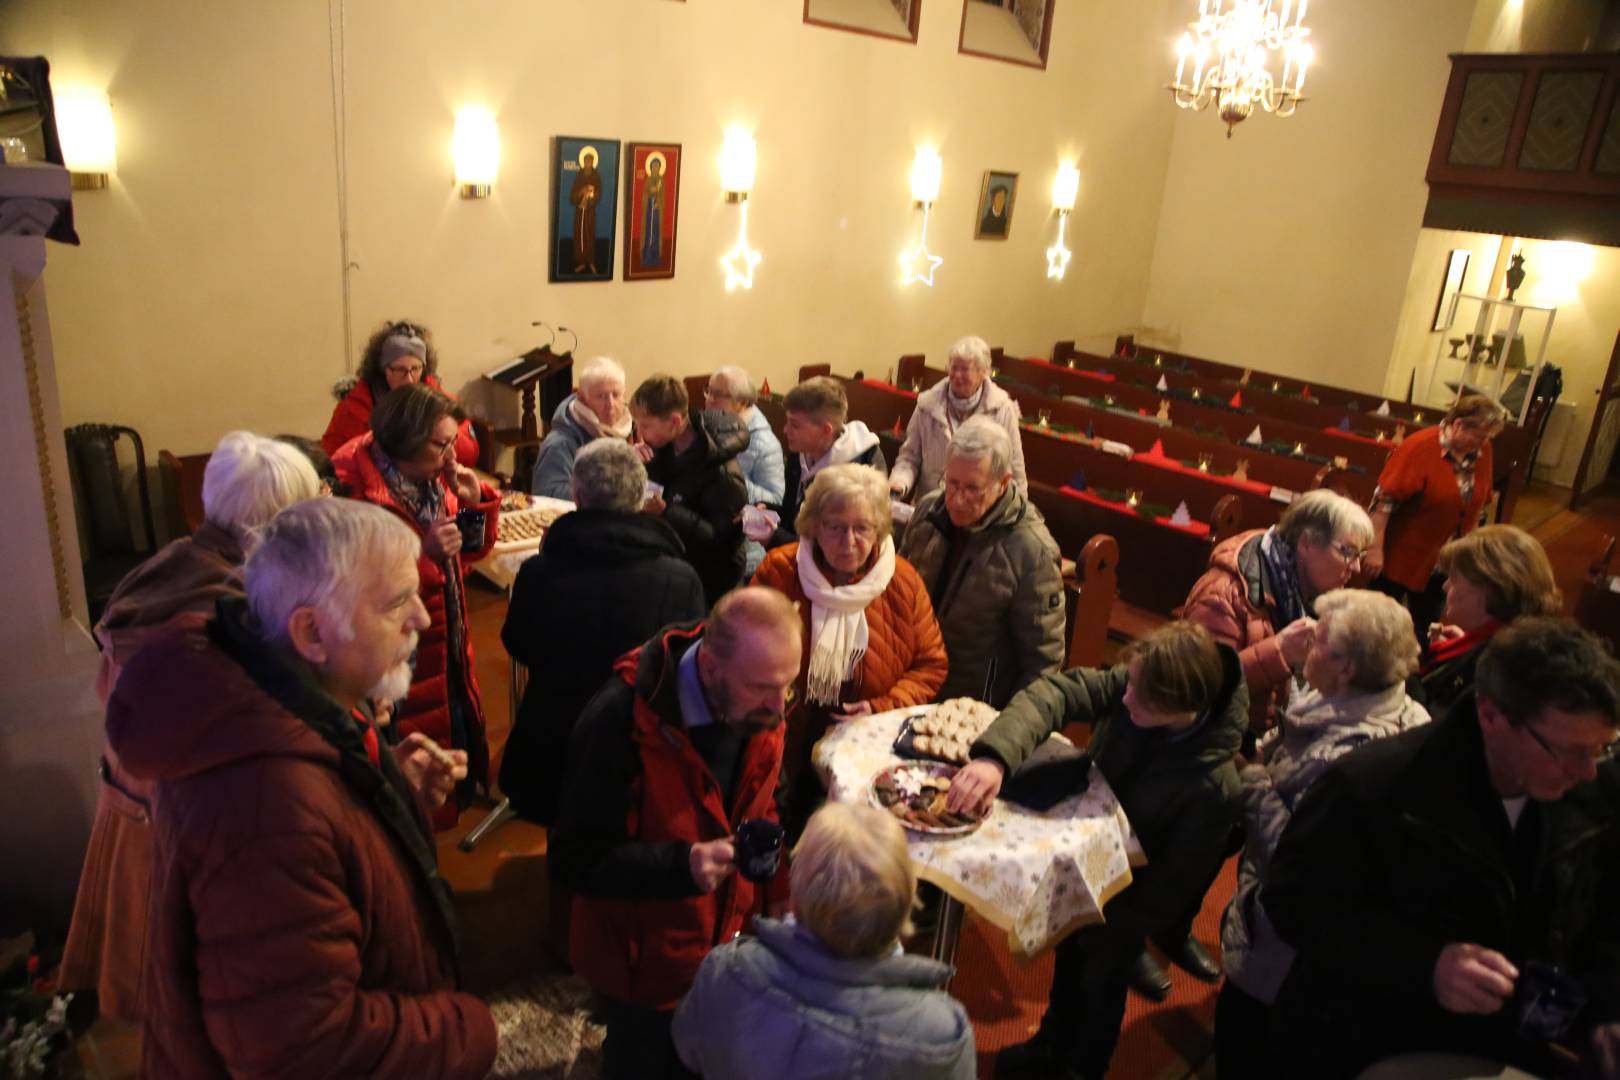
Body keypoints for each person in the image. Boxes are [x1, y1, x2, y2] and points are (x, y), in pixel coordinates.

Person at [104, 498, 495, 1077]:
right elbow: (305, 1048)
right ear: (311, 631)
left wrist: (388, 788)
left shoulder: (291, 691)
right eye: (394, 603)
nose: (422, 617)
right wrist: (470, 1031)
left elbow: (330, 838)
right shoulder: (264, 810)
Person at [1262, 617, 1620, 1079]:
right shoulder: (1372, 785)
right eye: (1569, 750)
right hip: (1373, 1037)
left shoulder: (1601, 789)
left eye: (1603, 749)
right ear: (1490, 716)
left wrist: (1609, 1004)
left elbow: (1611, 914)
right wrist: (1425, 964)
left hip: (1511, 1043)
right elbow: (1294, 903)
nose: (1588, 770)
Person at [58, 432, 320, 1023]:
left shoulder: (174, 562)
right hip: (189, 828)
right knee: (213, 1009)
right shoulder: (222, 606)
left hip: (135, 808)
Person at [948, 621, 1248, 1080]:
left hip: (1129, 898)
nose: (1124, 700)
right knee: (1066, 973)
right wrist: (996, 757)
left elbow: (1176, 884)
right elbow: (1057, 693)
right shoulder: (1144, 684)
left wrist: (1114, 925)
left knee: (1098, 992)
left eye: (1140, 699)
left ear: (1182, 709)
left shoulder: (1215, 786)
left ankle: (1077, 1070)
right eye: (1128, 684)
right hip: (1088, 865)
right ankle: (1048, 1047)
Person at [550, 588, 803, 1080]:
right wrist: (679, 866)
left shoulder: (760, 704)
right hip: (641, 967)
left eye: (789, 686)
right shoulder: (619, 720)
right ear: (709, 669)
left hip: (721, 943)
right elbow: (572, 859)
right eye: (764, 688)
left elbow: (770, 799)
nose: (780, 706)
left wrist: (777, 887)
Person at [1142, 488, 1375, 1000]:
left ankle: (1173, 926)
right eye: (1347, 552)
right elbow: (1196, 683)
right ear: (1307, 542)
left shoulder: (1298, 582)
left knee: (1220, 840)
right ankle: (1135, 932)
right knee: (1174, 841)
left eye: (1359, 555)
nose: (1356, 567)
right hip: (1197, 741)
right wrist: (1278, 652)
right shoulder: (1226, 590)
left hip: (1252, 735)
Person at [1215, 589, 1430, 1078]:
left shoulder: (1347, 761)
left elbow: (1293, 855)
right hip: (1301, 944)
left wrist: (1250, 781)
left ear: (1347, 667)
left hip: (1283, 955)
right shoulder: (1388, 706)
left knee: (1247, 1052)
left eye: (1318, 641)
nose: (1306, 642)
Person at [671, 802, 977, 1080]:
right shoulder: (941, 1033)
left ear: (795, 895)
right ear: (908, 900)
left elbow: (689, 1047)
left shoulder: (726, 970)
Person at [500, 438, 706, 826]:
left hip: (552, 736)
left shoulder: (539, 572)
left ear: (577, 494)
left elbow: (518, 644)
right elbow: (686, 668)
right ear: (641, 496)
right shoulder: (680, 579)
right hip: (638, 742)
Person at [332, 383, 500, 829]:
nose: (452, 455)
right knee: (409, 788)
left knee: (450, 745)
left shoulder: (431, 482)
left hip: (446, 644)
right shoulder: (363, 499)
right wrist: (424, 554)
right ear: (405, 441)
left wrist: (473, 505)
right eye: (441, 444)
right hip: (397, 658)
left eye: (453, 441)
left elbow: (467, 554)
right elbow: (366, 594)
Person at [752, 463, 948, 838]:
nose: (849, 542)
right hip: (785, 738)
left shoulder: (902, 582)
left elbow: (931, 665)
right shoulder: (780, 571)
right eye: (835, 527)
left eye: (862, 528)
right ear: (813, 525)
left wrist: (880, 705)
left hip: (865, 749)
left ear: (879, 529)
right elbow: (745, 651)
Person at [899, 416, 1064, 706]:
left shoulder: (1032, 551)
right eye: (951, 482)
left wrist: (1008, 733)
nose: (956, 500)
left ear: (1003, 484)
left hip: (972, 709)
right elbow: (896, 594)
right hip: (908, 687)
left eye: (972, 489)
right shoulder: (928, 512)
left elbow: (1043, 663)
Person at [1365, 393, 1508, 635]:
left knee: (1425, 626)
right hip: (1401, 556)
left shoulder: (1482, 451)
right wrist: (1374, 549)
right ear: (1459, 424)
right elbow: (1384, 501)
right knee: (1377, 624)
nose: (1483, 442)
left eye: (1487, 437)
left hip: (1445, 562)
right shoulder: (1419, 446)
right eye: (1480, 435)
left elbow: (1482, 500)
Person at [631, 374, 750, 607]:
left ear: (674, 422)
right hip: (673, 564)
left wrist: (667, 513)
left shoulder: (722, 472)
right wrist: (634, 465)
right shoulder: (663, 447)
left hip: (710, 582)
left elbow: (724, 541)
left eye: (645, 425)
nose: (639, 433)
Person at [1420, 524, 1561, 717]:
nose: (1445, 587)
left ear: (1488, 589)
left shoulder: (1499, 668)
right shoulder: (1520, 638)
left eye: (1454, 578)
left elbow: (1436, 724)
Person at [321, 319, 478, 466]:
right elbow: (331, 458)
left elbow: (469, 455)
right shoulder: (356, 406)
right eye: (400, 370)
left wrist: (432, 426)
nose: (409, 379)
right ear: (384, 370)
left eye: (416, 369)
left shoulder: (439, 400)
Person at [890, 335, 1027, 504]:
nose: (956, 375)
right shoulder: (927, 405)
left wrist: (1014, 515)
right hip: (931, 507)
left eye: (965, 369)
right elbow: (909, 457)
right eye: (953, 367)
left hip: (977, 511)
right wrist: (899, 482)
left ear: (983, 372)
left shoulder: (1001, 410)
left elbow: (1014, 471)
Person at [757, 376, 887, 551]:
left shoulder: (862, 471)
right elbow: (797, 511)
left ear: (826, 430)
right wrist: (773, 512)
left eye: (794, 424)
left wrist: (775, 538)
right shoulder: (802, 451)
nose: (785, 429)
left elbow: (839, 550)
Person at [704, 365, 785, 578]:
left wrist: (733, 479)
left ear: (741, 402)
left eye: (718, 394)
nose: (709, 399)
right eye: (709, 390)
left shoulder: (765, 444)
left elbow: (776, 499)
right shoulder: (711, 425)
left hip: (745, 553)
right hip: (709, 538)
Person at [531, 355, 633, 499]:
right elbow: (546, 494)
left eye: (616, 395)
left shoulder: (632, 430)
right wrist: (608, 491)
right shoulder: (560, 442)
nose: (611, 404)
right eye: (601, 396)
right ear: (582, 398)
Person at [572, 148, 603, 273]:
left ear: (593, 162)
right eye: (586, 161)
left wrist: (590, 199)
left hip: (590, 212)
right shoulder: (579, 176)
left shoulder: (596, 177)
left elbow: (598, 194)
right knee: (580, 236)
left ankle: (590, 261)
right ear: (583, 162)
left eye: (590, 161)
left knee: (589, 235)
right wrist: (581, 192)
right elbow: (573, 195)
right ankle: (581, 262)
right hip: (580, 211)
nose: (588, 163)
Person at [641, 154, 665, 267]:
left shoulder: (661, 180)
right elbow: (644, 195)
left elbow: (663, 195)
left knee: (655, 231)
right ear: (650, 167)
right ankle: (647, 253)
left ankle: (655, 254)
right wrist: (650, 194)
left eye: (657, 166)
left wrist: (658, 201)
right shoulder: (648, 180)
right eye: (653, 166)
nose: (655, 168)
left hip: (656, 211)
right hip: (649, 210)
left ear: (659, 168)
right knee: (648, 231)